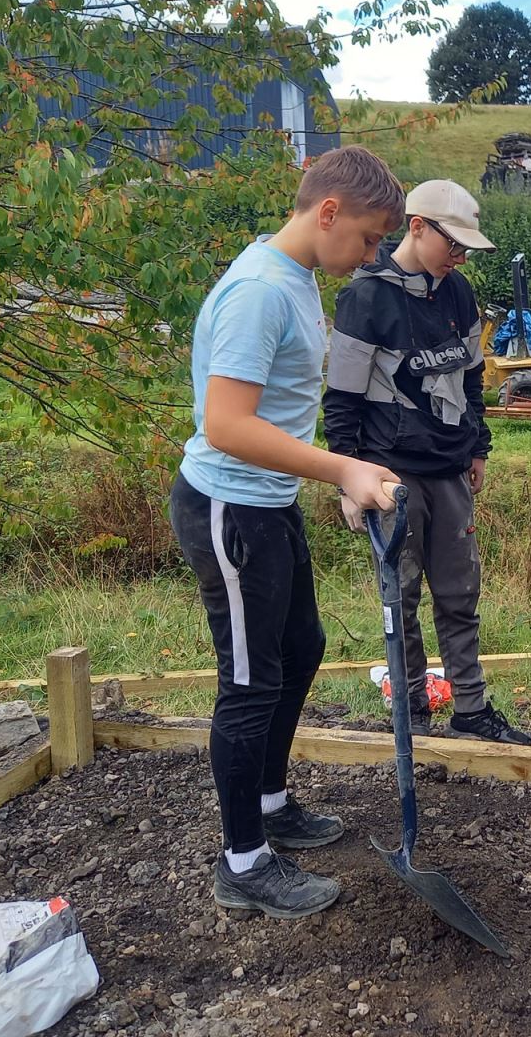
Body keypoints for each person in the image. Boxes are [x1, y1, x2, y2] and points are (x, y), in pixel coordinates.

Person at [169, 146, 405, 920]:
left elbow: (273, 413)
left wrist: (331, 477)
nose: (373, 254)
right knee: (248, 681)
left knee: (300, 648)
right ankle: (242, 863)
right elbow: (226, 424)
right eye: (370, 237)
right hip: (229, 508)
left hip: (266, 503)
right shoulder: (260, 293)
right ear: (328, 212)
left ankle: (270, 803)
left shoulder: (296, 277)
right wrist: (341, 469)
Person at [323, 179, 531, 745]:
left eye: (467, 248)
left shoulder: (459, 293)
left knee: (461, 594)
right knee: (402, 595)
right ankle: (411, 708)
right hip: (390, 472)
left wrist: (478, 448)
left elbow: (471, 377)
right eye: (454, 244)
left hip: (450, 468)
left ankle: (471, 707)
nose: (460, 256)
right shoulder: (364, 297)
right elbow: (341, 396)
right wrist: (347, 477)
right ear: (417, 227)